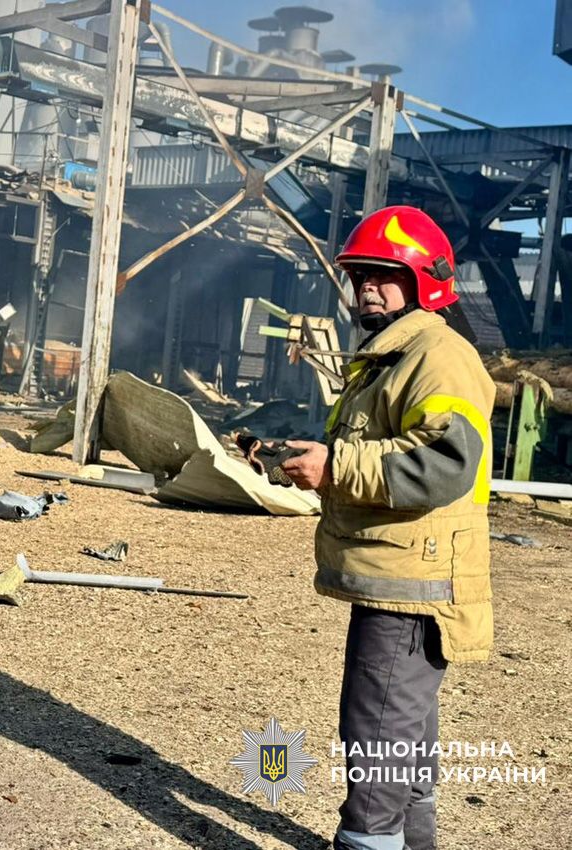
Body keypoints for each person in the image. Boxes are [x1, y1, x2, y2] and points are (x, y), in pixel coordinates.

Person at [281, 205, 495, 850]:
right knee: (403, 746)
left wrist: (336, 465)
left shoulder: (438, 356)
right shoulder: (393, 356)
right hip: (398, 575)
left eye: (384, 274)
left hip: (411, 582)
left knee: (377, 743)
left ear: (425, 281)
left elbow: (445, 463)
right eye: (360, 274)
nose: (367, 286)